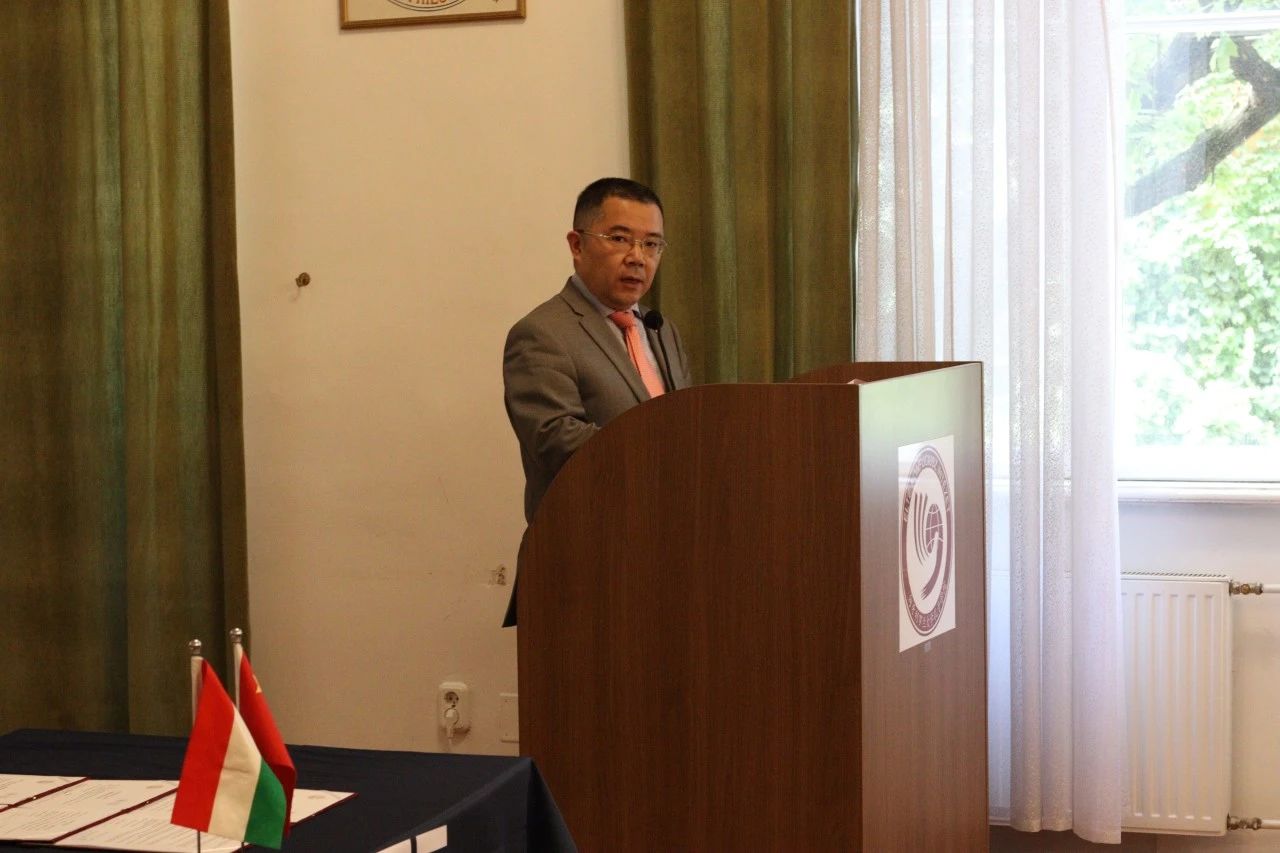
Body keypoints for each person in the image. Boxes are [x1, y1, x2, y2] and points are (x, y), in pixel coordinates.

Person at [501, 177, 693, 625]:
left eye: (652, 244)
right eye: (620, 239)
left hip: (665, 556)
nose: (637, 257)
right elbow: (556, 439)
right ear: (577, 244)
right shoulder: (542, 334)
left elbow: (684, 421)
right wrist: (665, 452)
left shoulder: (660, 330)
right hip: (585, 562)